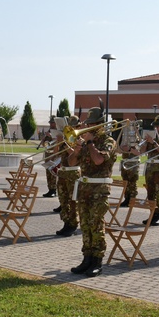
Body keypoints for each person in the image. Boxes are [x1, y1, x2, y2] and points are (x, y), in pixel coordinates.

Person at [67, 107, 117, 276]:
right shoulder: (86, 143)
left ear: (101, 125)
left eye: (92, 124)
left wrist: (89, 143)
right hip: (84, 189)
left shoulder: (108, 141)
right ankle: (86, 258)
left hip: (99, 190)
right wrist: (77, 150)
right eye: (88, 124)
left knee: (96, 225)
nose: (88, 127)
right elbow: (72, 163)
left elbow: (98, 160)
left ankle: (97, 261)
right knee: (86, 225)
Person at [141, 115, 159, 225]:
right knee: (150, 193)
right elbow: (142, 152)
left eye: (157, 126)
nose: (155, 128)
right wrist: (145, 142)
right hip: (149, 168)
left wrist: (154, 142)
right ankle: (152, 214)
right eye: (154, 126)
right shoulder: (150, 138)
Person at [54, 115, 81, 236]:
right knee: (63, 200)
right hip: (63, 171)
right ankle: (66, 222)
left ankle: (73, 224)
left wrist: (65, 144)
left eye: (74, 126)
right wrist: (58, 142)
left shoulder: (79, 139)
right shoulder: (67, 137)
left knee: (72, 201)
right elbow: (56, 154)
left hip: (73, 172)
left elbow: (76, 154)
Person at [118, 122, 141, 207]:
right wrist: (121, 148)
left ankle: (132, 200)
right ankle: (126, 199)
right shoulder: (125, 139)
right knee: (125, 182)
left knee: (132, 183)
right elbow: (119, 150)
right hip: (125, 162)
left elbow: (140, 152)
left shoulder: (138, 139)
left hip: (133, 163)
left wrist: (130, 149)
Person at [39, 117, 59, 198]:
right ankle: (50, 189)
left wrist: (50, 136)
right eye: (50, 123)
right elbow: (45, 144)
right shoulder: (49, 131)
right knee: (48, 173)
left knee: (53, 173)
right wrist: (43, 139)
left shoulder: (58, 131)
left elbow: (57, 141)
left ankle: (54, 190)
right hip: (48, 155)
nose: (51, 124)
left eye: (52, 123)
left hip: (54, 155)